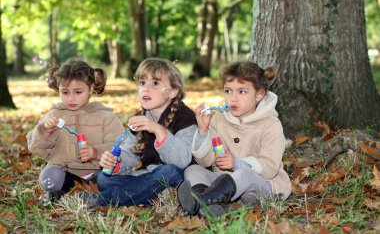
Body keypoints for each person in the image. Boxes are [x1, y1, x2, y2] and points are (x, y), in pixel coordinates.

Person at [178, 61, 291, 217]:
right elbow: (206, 161)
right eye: (228, 91)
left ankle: (199, 201)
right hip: (224, 183)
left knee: (244, 173)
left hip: (260, 187)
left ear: (259, 94)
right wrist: (203, 131)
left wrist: (236, 163)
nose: (233, 99)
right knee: (193, 169)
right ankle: (213, 207)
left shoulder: (271, 124)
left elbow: (270, 167)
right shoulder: (218, 120)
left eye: (242, 92)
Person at [92, 58, 197, 207]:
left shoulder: (185, 117)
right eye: (142, 83)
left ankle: (103, 199)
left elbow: (182, 161)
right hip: (147, 177)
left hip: (177, 176)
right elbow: (130, 154)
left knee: (170, 172)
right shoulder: (140, 117)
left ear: (173, 92)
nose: (146, 89)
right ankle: (152, 193)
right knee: (104, 178)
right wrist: (116, 163)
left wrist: (158, 130)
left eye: (155, 83)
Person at [27, 59, 124, 206]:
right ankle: (70, 193)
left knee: (109, 181)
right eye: (65, 92)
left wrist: (96, 153)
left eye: (78, 92)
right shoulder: (54, 114)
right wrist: (46, 131)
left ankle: (76, 194)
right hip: (63, 174)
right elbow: (35, 148)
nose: (71, 98)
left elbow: (119, 146)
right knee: (49, 176)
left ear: (91, 88)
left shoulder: (105, 116)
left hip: (95, 174)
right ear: (58, 89)